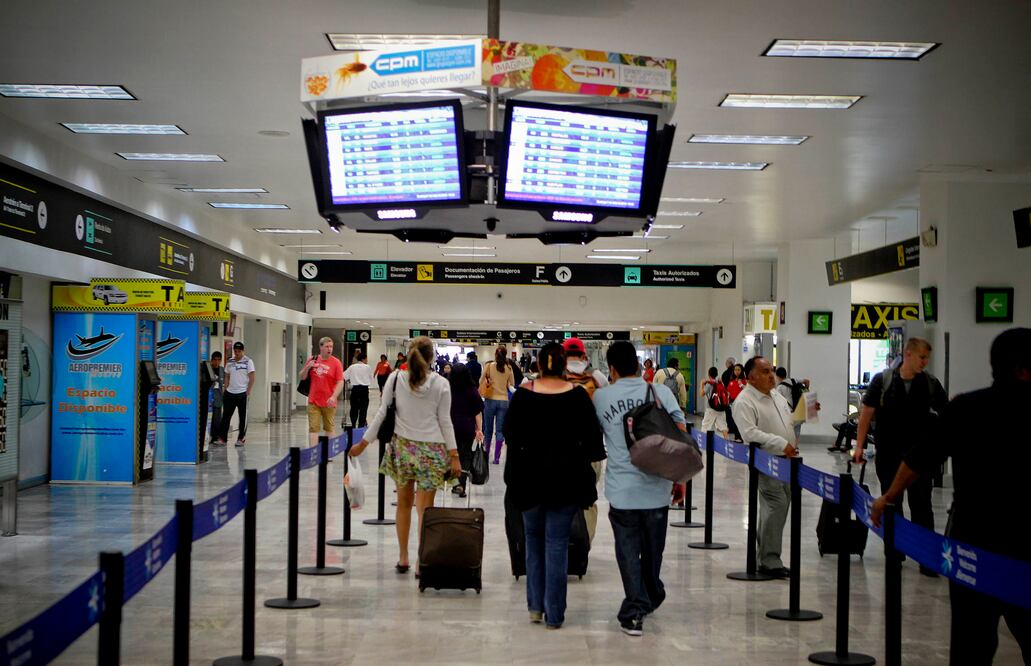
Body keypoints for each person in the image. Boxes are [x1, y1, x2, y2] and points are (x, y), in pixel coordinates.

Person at [871, 328, 1031, 665]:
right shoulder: (962, 406)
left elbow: (920, 457)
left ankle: (925, 562)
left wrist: (889, 495)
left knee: (971, 643)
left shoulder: (968, 407)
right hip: (1017, 546)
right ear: (1022, 369)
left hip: (973, 542)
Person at [504, 343, 605, 630]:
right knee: (557, 544)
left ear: (538, 364)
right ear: (564, 365)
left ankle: (535, 607)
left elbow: (509, 433)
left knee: (533, 541)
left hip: (528, 482)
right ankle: (555, 613)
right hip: (566, 482)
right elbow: (593, 443)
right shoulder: (578, 397)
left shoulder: (523, 395)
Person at [593, 341, 686, 636]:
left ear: (611, 369)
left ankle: (636, 609)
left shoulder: (601, 397)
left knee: (628, 551)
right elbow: (681, 434)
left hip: (622, 490)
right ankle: (649, 594)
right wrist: (679, 478)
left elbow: (593, 438)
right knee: (653, 550)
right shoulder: (660, 393)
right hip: (657, 487)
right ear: (637, 364)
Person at [350, 337, 461, 575]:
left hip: (403, 448)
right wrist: (454, 455)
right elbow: (445, 421)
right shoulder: (441, 383)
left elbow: (381, 414)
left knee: (403, 504)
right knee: (425, 509)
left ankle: (403, 557)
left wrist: (363, 443)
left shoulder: (395, 379)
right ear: (431, 358)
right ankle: (422, 561)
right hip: (432, 451)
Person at [854, 337, 946, 576]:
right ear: (908, 354)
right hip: (889, 454)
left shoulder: (930, 383)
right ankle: (894, 553)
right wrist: (859, 446)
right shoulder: (883, 381)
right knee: (891, 503)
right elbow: (866, 414)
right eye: (922, 357)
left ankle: (926, 558)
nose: (924, 362)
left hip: (920, 456)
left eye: (927, 358)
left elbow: (946, 415)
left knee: (922, 504)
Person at [732, 356, 798, 579]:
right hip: (767, 461)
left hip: (786, 461)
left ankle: (767, 556)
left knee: (780, 504)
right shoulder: (745, 401)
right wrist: (780, 442)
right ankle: (769, 560)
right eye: (765, 371)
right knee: (776, 503)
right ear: (751, 378)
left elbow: (788, 422)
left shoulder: (776, 396)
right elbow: (749, 433)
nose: (771, 375)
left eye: (772, 370)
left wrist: (804, 414)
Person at [299, 337, 344, 447]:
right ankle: (314, 451)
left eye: (331, 347)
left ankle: (329, 451)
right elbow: (302, 376)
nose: (330, 349)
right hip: (313, 400)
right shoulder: (313, 359)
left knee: (329, 427)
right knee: (313, 428)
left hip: (329, 402)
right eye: (327, 346)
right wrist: (307, 367)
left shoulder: (336, 363)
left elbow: (340, 382)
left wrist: (334, 396)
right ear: (321, 347)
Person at [448, 363, 483, 498]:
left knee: (453, 455)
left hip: (450, 427)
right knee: (465, 455)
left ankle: (454, 483)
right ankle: (461, 485)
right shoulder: (472, 390)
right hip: (467, 427)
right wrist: (479, 429)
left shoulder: (448, 389)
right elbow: (477, 412)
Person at [480, 345, 515, 465]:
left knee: (488, 430)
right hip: (504, 401)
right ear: (505, 355)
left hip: (490, 400)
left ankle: (486, 455)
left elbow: (480, 380)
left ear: (495, 354)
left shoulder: (489, 366)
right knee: (500, 431)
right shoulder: (509, 368)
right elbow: (511, 384)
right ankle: (496, 458)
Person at [217, 341, 255, 447]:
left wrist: (248, 390)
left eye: (239, 351)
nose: (237, 353)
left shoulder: (248, 361)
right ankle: (222, 438)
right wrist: (226, 388)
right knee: (226, 416)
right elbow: (226, 375)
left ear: (243, 351)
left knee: (242, 417)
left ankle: (241, 438)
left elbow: (252, 377)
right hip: (230, 393)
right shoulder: (230, 361)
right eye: (235, 351)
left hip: (242, 393)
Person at [775, 367, 810, 442]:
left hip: (789, 413)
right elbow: (807, 381)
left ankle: (791, 445)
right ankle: (795, 446)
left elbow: (777, 402)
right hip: (798, 410)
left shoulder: (779, 387)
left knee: (788, 433)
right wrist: (806, 391)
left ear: (777, 376)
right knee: (797, 432)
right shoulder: (794, 380)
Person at [344, 351, 372, 429]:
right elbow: (370, 378)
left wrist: (351, 379)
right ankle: (361, 427)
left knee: (354, 408)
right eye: (366, 359)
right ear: (363, 359)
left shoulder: (352, 367)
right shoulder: (368, 367)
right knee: (363, 409)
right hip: (364, 390)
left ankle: (353, 425)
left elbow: (344, 376)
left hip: (355, 390)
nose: (367, 360)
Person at [700, 366, 729, 437]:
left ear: (708, 374)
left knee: (705, 426)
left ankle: (703, 441)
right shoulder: (720, 383)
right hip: (721, 408)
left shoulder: (709, 384)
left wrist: (702, 384)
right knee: (723, 426)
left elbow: (701, 394)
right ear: (717, 374)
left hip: (711, 408)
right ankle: (727, 441)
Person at [725, 363, 747, 441]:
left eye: (738, 370)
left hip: (741, 403)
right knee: (734, 420)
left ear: (741, 371)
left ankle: (740, 437)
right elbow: (728, 392)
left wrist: (741, 385)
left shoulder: (744, 381)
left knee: (740, 420)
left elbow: (748, 391)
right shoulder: (732, 381)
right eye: (735, 370)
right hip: (732, 403)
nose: (736, 371)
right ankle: (737, 436)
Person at [208, 351, 224, 445]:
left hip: (218, 397)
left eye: (218, 360)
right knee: (209, 418)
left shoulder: (222, 370)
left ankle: (215, 437)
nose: (216, 362)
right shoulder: (208, 369)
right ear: (212, 360)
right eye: (215, 360)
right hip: (209, 396)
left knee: (217, 419)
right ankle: (208, 436)